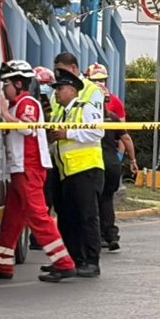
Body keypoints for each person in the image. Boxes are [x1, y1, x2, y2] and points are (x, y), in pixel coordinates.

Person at [0, 60, 78, 282]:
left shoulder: (27, 102)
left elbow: (27, 127)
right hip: (18, 169)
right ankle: (3, 265)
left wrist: (4, 113)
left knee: (38, 217)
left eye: (6, 84)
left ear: (19, 84)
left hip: (29, 167)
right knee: (12, 220)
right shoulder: (16, 105)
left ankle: (63, 263)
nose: (4, 88)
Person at [46, 68, 106, 278]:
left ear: (72, 90)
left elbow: (98, 131)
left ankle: (91, 261)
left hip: (86, 170)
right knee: (68, 218)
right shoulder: (62, 112)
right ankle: (71, 259)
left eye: (60, 88)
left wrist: (67, 133)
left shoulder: (86, 107)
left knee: (87, 217)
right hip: (67, 172)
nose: (56, 93)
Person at [84, 63, 136, 251]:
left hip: (96, 162)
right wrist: (131, 160)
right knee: (107, 200)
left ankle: (99, 236)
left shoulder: (86, 114)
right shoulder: (112, 117)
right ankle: (111, 235)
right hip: (112, 162)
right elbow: (126, 137)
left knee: (96, 201)